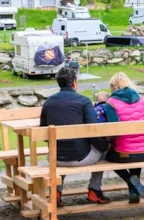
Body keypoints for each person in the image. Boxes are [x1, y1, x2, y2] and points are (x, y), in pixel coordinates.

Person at [38, 66, 110, 205]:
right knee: (103, 149)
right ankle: (94, 189)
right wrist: (104, 146)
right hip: (80, 157)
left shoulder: (48, 103)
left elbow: (45, 135)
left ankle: (56, 192)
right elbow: (94, 131)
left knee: (59, 147)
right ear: (74, 83)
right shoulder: (84, 101)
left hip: (55, 158)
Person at [102, 72, 144, 204]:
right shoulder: (140, 98)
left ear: (113, 86)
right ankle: (133, 190)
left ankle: (129, 180)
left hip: (125, 153)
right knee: (135, 150)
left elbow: (115, 132)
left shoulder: (111, 103)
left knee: (106, 156)